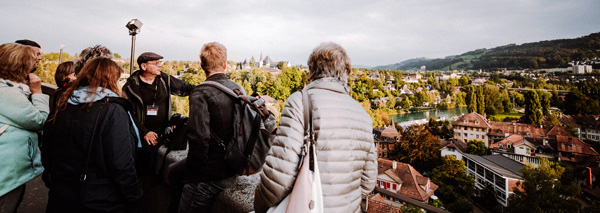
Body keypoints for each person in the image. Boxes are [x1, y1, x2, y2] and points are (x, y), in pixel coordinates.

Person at [254, 42, 377, 213]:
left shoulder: (300, 102)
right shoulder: (363, 114)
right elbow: (368, 182)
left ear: (312, 71)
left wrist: (259, 205)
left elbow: (279, 176)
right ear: (345, 73)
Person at [42, 57, 143, 212]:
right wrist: (135, 199)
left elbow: (47, 147)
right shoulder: (112, 111)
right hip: (99, 199)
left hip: (61, 194)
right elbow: (121, 163)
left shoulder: (64, 104)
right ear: (111, 80)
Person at [178, 42, 241, 212]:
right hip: (233, 165)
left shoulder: (200, 92)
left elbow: (199, 139)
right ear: (225, 65)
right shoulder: (238, 89)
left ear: (202, 66)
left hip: (211, 173)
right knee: (173, 170)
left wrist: (193, 176)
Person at [123, 52, 193, 174]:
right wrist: (144, 132)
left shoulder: (164, 79)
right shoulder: (131, 87)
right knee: (145, 155)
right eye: (156, 63)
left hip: (165, 129)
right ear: (144, 66)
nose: (159, 65)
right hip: (142, 131)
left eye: (160, 62)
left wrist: (207, 89)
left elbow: (185, 88)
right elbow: (128, 113)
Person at [0, 43, 48, 212]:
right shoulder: (8, 93)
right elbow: (41, 121)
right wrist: (38, 92)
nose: (37, 61)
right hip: (6, 177)